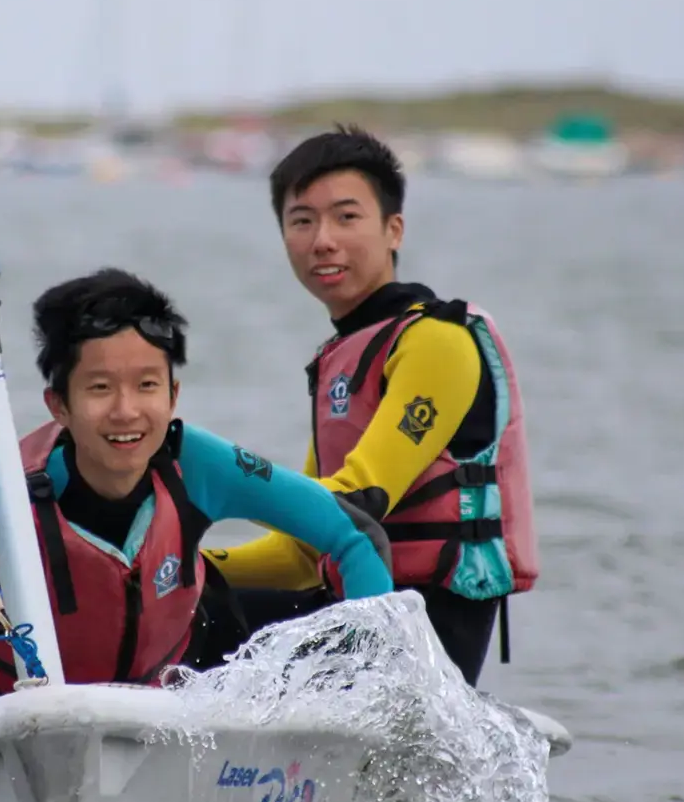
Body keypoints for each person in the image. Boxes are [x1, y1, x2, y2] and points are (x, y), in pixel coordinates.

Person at [0, 268, 394, 740]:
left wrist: (372, 701)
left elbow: (353, 535)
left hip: (172, 697)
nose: (127, 411)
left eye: (147, 386)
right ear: (60, 405)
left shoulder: (202, 467)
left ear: (174, 394)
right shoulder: (6, 510)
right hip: (19, 715)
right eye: (100, 388)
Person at [205, 125, 539, 687]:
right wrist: (175, 566)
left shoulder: (437, 341)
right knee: (163, 602)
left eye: (346, 217)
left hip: (421, 636)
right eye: (301, 220)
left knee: (190, 619)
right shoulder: (345, 356)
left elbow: (360, 497)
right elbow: (295, 554)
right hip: (348, 616)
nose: (322, 240)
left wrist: (207, 488)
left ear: (393, 230)